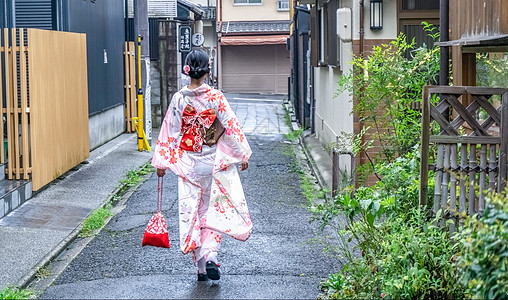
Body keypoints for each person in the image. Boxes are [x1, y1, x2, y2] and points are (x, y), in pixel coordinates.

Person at [152, 49, 252, 282]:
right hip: (213, 163)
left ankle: (199, 267)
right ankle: (210, 256)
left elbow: (170, 129)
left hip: (189, 165)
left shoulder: (179, 98)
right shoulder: (216, 98)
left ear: (187, 70)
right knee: (212, 210)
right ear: (207, 70)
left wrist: (162, 162)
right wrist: (241, 155)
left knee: (192, 212)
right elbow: (231, 127)